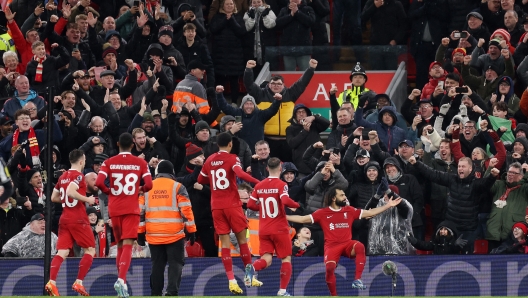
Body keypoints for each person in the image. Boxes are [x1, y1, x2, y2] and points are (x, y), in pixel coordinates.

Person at [286, 186, 402, 296]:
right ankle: (334, 295)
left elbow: (369, 212)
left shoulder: (349, 210)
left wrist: (388, 206)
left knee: (360, 246)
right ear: (333, 198)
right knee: (330, 268)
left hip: (347, 244)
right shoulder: (322, 213)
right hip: (331, 246)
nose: (345, 197)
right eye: (342, 195)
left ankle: (357, 279)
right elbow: (302, 219)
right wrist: (283, 217)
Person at [197, 132, 261, 295]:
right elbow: (239, 174)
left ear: (218, 144)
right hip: (232, 205)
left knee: (225, 243)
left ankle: (231, 280)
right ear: (230, 144)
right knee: (242, 241)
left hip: (216, 206)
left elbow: (200, 179)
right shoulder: (233, 159)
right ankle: (249, 277)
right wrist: (258, 182)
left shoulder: (210, 160)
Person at [95, 133, 153, 297]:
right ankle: (121, 280)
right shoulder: (141, 162)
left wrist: (109, 192)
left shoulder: (108, 162)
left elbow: (99, 183)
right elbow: (149, 184)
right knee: (128, 243)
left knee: (120, 244)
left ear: (118, 143)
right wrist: (139, 189)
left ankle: (122, 284)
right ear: (133, 144)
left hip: (114, 207)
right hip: (131, 208)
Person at [138, 160, 196, 296]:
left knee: (157, 265)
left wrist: (140, 233)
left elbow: (139, 213)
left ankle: (156, 292)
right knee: (175, 263)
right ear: (172, 173)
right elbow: (186, 211)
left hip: (153, 235)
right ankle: (171, 291)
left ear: (157, 173)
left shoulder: (146, 188)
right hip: (174, 234)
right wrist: (191, 230)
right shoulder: (178, 187)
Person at [245, 157, 300, 296]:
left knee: (267, 259)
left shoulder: (259, 185)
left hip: (264, 229)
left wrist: (262, 208)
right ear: (280, 169)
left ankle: (252, 267)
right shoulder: (282, 184)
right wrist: (297, 205)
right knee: (286, 258)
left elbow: (250, 205)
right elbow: (286, 200)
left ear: (267, 168)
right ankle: (282, 291)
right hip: (279, 228)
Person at [46, 149, 96, 296]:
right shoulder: (79, 176)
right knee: (90, 250)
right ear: (81, 161)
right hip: (78, 219)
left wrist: (69, 200)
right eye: (85, 160)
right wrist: (88, 199)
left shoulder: (63, 177)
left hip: (64, 218)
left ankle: (52, 282)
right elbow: (70, 192)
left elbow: (54, 197)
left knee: (62, 251)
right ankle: (79, 282)